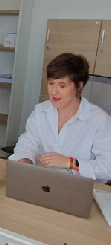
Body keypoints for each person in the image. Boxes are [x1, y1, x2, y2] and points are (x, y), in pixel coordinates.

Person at [9, 53, 111, 181]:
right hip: (40, 182)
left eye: (62, 85)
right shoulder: (41, 111)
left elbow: (108, 167)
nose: (54, 91)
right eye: (51, 83)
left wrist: (70, 163)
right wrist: (24, 159)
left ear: (79, 86)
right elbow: (28, 142)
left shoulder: (99, 120)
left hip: (77, 187)